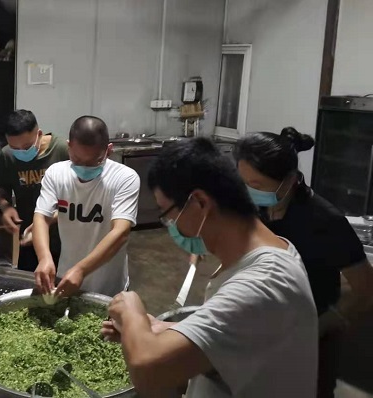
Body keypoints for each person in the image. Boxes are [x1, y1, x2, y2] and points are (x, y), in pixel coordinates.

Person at [102, 137, 317, 398]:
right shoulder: (267, 253)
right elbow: (240, 341)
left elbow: (148, 372)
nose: (170, 224)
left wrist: (132, 312)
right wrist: (157, 331)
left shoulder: (264, 283)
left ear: (200, 203)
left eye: (167, 213)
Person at [235, 127, 373, 398]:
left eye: (257, 186)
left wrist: (321, 325)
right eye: (244, 183)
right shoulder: (257, 209)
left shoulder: (325, 222)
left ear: (289, 181)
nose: (249, 192)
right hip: (265, 325)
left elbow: (366, 288)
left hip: (312, 335)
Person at [32, 116, 139, 298]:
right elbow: (41, 216)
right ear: (69, 146)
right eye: (76, 159)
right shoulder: (56, 174)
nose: (84, 167)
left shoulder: (124, 178)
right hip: (66, 275)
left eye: (93, 162)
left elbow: (120, 233)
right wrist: (44, 258)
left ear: (108, 150)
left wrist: (81, 269)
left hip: (109, 283)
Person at [0, 110, 68, 272]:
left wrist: (45, 221)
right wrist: (6, 208)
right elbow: (3, 190)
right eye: (15, 148)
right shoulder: (7, 156)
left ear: (39, 134)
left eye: (27, 147)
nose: (21, 152)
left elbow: (78, 199)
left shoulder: (62, 150)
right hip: (28, 237)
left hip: (63, 239)